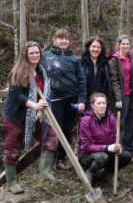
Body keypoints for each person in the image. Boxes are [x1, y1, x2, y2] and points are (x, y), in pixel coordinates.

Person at [3, 42, 58, 194]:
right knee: (12, 149)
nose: (35, 55)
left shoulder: (41, 70)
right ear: (25, 55)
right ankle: (12, 183)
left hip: (36, 115)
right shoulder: (19, 71)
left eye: (37, 53)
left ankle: (45, 172)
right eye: (31, 53)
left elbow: (43, 90)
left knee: (51, 137)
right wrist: (33, 105)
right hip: (15, 116)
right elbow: (16, 94)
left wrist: (41, 104)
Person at [43, 29, 86, 170]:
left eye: (66, 39)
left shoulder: (74, 59)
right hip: (53, 100)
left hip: (71, 99)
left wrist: (81, 100)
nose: (64, 41)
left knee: (67, 129)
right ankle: (50, 161)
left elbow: (81, 81)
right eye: (61, 38)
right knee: (54, 129)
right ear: (54, 40)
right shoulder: (45, 57)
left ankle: (61, 159)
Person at [78, 93, 131, 185]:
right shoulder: (86, 120)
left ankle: (108, 173)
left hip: (107, 152)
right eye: (99, 103)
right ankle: (90, 171)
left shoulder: (111, 118)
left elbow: (116, 137)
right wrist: (106, 148)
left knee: (126, 156)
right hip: (87, 155)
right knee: (102, 157)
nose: (102, 106)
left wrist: (118, 146)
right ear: (92, 106)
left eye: (104, 103)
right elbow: (87, 146)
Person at [109, 34, 133, 154]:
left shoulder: (131, 57)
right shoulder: (114, 60)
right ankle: (115, 144)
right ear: (119, 45)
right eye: (123, 44)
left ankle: (122, 144)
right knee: (118, 122)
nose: (125, 46)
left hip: (129, 94)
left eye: (127, 44)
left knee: (125, 121)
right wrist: (118, 98)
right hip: (119, 96)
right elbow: (114, 80)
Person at [81, 36, 112, 109]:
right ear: (89, 47)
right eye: (93, 46)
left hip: (101, 101)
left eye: (98, 47)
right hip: (85, 100)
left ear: (101, 49)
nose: (95, 49)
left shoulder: (105, 63)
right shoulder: (81, 62)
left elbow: (108, 83)